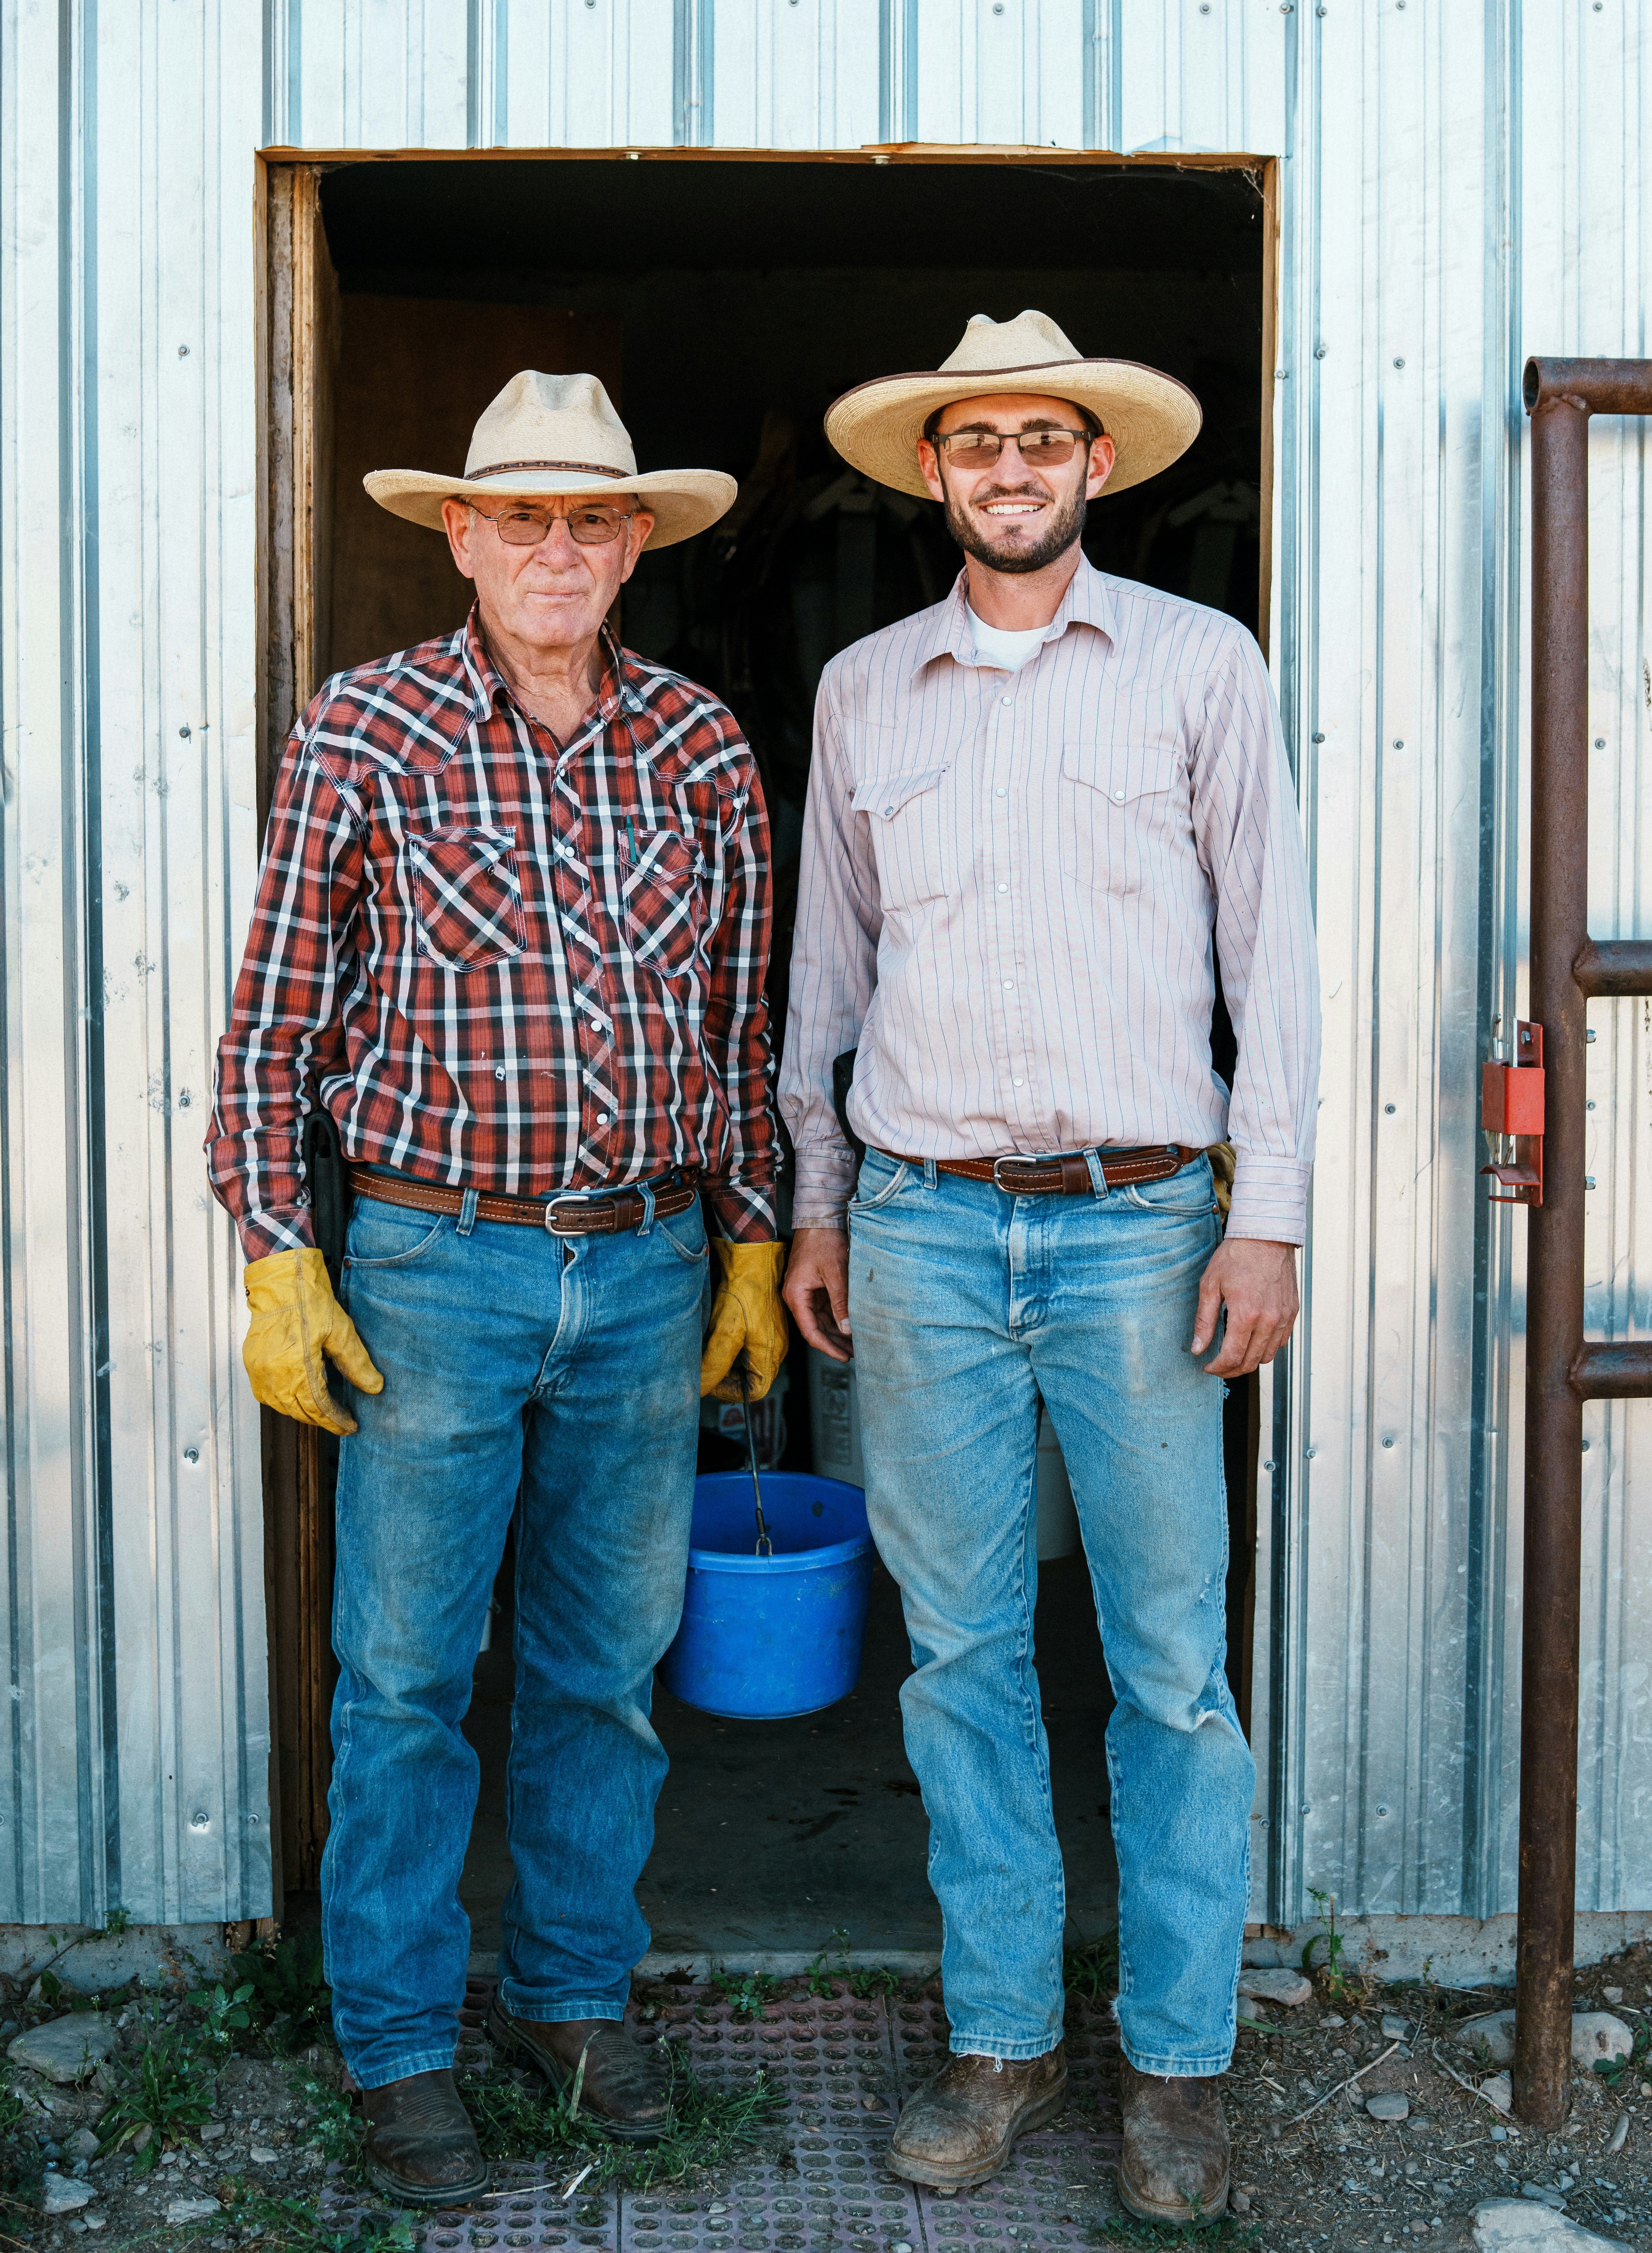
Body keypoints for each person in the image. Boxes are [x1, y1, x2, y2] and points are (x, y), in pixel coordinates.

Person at [207, 370, 788, 2208]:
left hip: (639, 1268)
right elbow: (272, 1031)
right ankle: (394, 2042)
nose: (558, 548)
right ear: (459, 534)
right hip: (432, 1267)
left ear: (639, 542)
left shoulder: (701, 748)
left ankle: (565, 1999)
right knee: (401, 1677)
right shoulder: (364, 734)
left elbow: (744, 1027)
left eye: (591, 518)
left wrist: (752, 1226)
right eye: (519, 516)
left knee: (603, 1675)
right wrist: (280, 1253)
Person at [778, 311, 1319, 2228]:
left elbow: (1277, 958)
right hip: (921, 1225)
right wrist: (820, 1198)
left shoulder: (1198, 667)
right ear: (931, 472)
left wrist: (1272, 1213)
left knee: (1170, 1671)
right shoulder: (864, 691)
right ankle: (1003, 2039)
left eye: (1045, 439)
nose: (1009, 468)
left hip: (1146, 1225)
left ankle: (1177, 2071)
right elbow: (825, 975)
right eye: (976, 441)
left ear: (1097, 466)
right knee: (960, 1656)